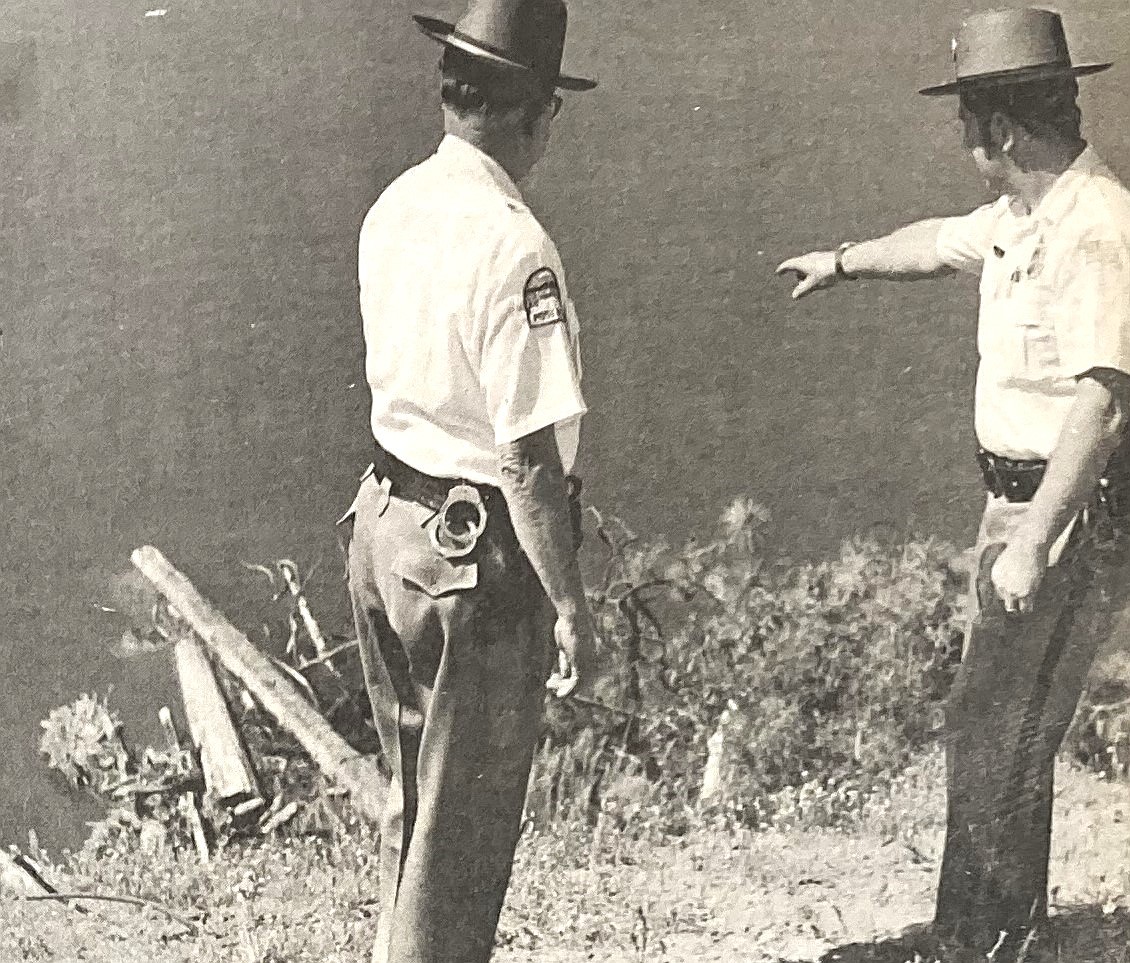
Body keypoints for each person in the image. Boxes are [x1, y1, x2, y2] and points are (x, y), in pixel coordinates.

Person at [777, 8, 1129, 961]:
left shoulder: (1094, 227)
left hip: (1065, 514)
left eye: (967, 118)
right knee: (1003, 719)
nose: (965, 138)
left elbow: (1102, 401)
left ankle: (975, 940)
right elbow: (936, 241)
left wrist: (1031, 539)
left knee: (995, 723)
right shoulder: (1025, 217)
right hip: (1018, 505)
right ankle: (999, 930)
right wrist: (843, 262)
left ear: (999, 128)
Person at [339, 2, 597, 961]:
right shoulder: (513, 244)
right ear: (531, 113)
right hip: (469, 559)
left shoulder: (394, 204)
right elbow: (526, 460)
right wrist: (569, 604)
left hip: (385, 528)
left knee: (414, 802)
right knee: (468, 830)